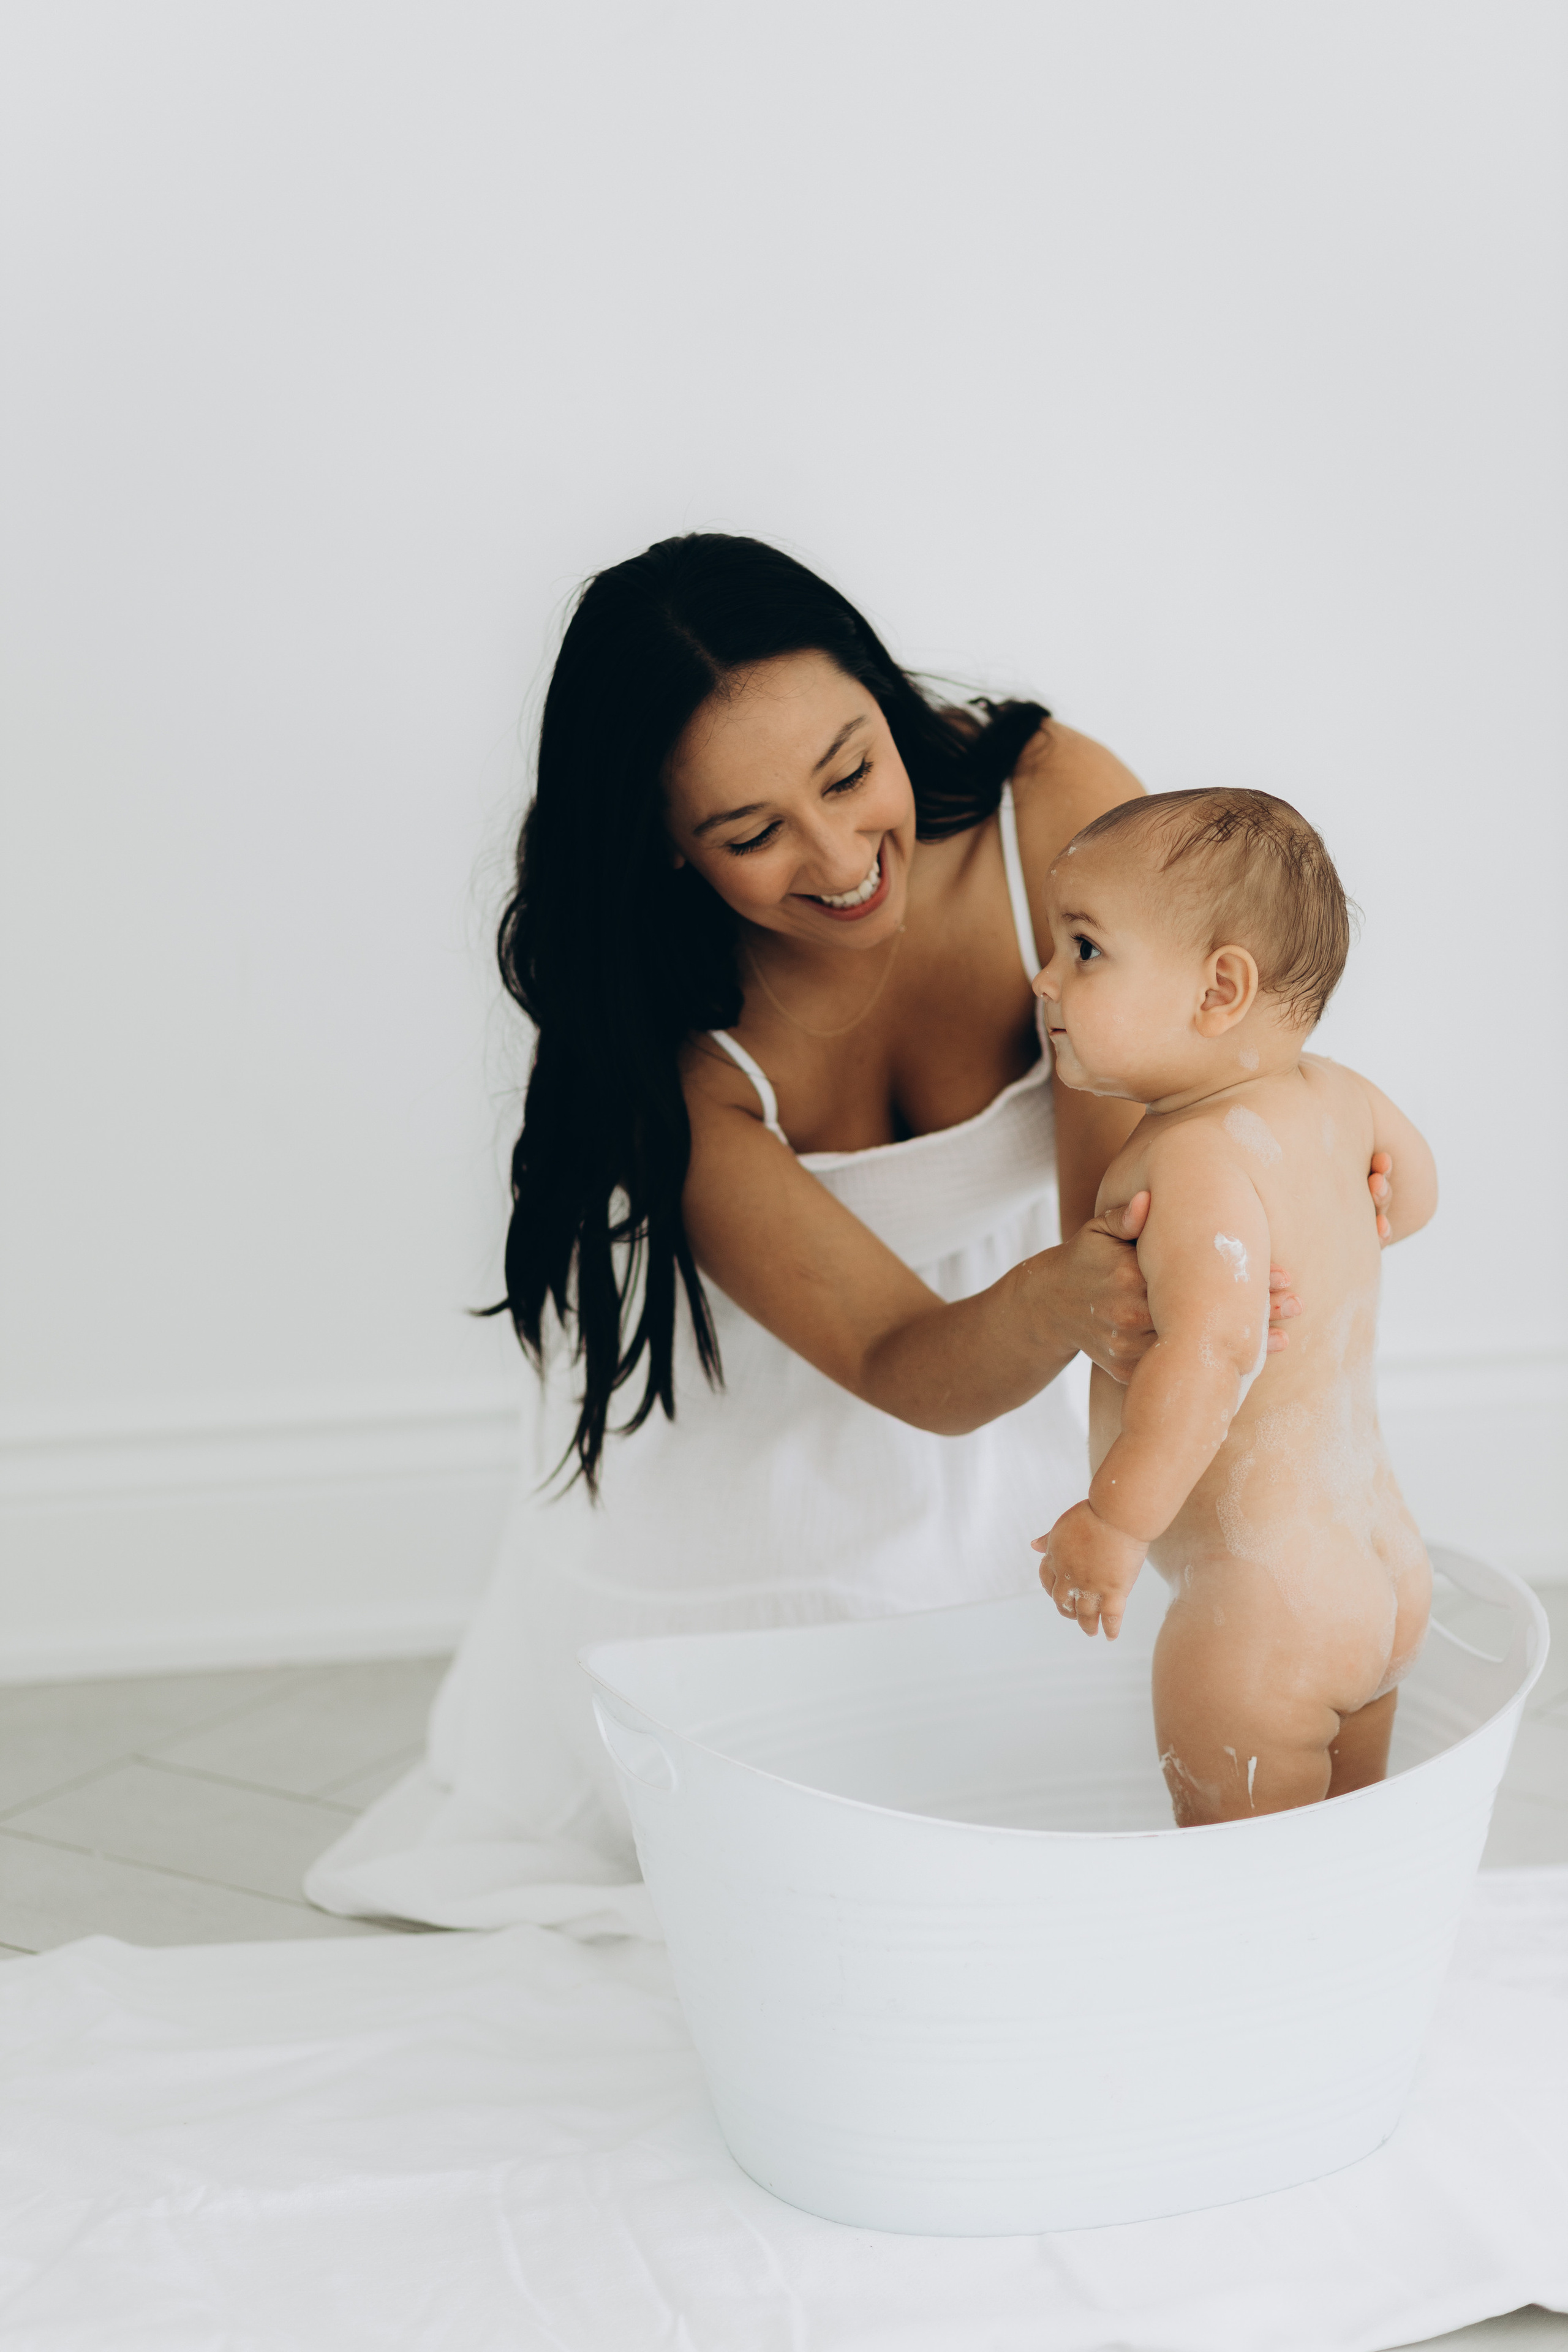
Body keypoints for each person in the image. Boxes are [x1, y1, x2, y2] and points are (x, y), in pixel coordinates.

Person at [306, 537, 1387, 1936]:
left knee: (1067, 1786)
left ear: (885, 700)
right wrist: (1075, 1299)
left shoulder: (1051, 814)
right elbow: (897, 1354)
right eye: (749, 837)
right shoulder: (682, 1067)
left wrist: (1293, 1194)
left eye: (847, 770)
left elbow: (1127, 1208)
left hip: (1031, 1380)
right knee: (796, 1863)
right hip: (782, 1410)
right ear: (666, 846)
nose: (836, 858)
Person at [1030, 788, 1435, 1824]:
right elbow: (1415, 1189)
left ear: (1220, 990)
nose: (1044, 979)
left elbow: (1212, 1355)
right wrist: (1372, 1203)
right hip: (1382, 1568)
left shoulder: (1194, 1158)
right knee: (1342, 1853)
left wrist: (1114, 1526)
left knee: (1243, 1885)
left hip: (1264, 1608)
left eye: (1083, 951)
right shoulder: (1341, 1097)